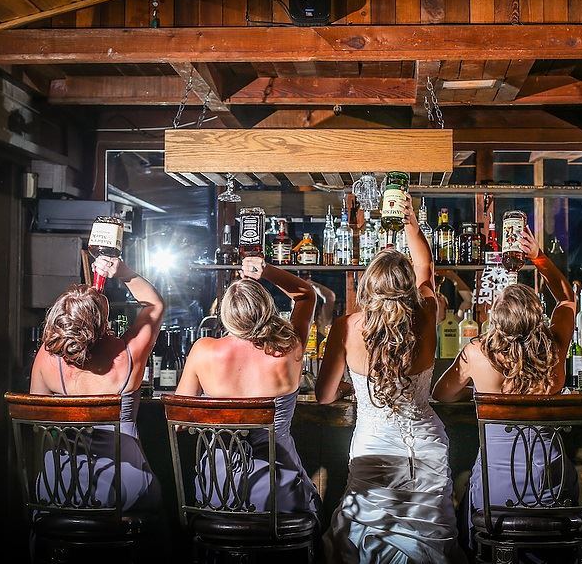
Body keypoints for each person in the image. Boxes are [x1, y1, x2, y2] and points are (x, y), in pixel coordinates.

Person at [316, 194, 464, 563]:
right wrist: (410, 221)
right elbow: (426, 266)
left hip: (374, 449)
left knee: (366, 541)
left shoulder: (346, 326)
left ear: (367, 285)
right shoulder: (426, 314)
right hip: (426, 447)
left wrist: (355, 387)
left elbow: (324, 396)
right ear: (409, 286)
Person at [433, 225, 576, 555]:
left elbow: (442, 395)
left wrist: (475, 385)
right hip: (551, 490)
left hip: (495, 493)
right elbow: (567, 298)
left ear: (496, 321)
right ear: (538, 317)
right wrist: (539, 258)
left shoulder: (477, 353)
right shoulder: (554, 348)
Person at [175, 258, 321, 516]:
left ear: (226, 315)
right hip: (279, 489)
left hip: (217, 491)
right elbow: (307, 295)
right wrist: (266, 271)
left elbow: (180, 421)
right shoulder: (291, 348)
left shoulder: (203, 351)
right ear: (267, 309)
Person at [29, 256, 164, 513]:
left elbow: (38, 422)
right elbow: (155, 304)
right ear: (102, 324)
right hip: (124, 488)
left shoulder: (47, 358)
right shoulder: (129, 356)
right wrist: (123, 272)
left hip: (60, 487)